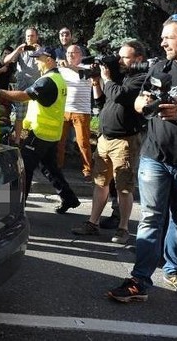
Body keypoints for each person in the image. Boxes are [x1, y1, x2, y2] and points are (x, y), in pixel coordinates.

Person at [107, 14, 177, 302]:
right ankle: (139, 281)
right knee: (150, 219)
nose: (162, 42)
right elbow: (138, 100)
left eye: (168, 37)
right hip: (154, 157)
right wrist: (142, 103)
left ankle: (174, 270)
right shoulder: (159, 67)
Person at [71, 40, 147, 244]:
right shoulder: (120, 76)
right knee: (100, 184)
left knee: (124, 187)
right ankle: (92, 223)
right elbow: (103, 102)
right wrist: (97, 83)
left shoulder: (140, 78)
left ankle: (123, 228)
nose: (120, 60)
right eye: (119, 56)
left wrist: (106, 78)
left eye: (125, 57)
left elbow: (120, 95)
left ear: (138, 58)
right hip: (105, 139)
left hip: (125, 141)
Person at [0, 46, 80, 213]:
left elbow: (22, 96)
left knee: (24, 170)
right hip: (50, 134)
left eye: (38, 58)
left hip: (39, 134)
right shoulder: (57, 78)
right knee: (50, 167)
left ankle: (17, 209)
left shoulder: (47, 81)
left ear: (49, 59)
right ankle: (69, 198)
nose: (36, 62)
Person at [56, 45, 93, 181]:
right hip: (64, 110)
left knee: (83, 142)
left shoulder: (87, 68)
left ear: (80, 55)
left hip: (81, 111)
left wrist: (69, 67)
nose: (71, 55)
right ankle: (58, 166)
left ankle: (87, 170)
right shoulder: (61, 70)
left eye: (74, 53)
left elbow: (84, 73)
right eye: (68, 53)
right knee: (59, 141)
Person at [2, 27, 41, 143]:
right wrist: (18, 50)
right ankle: (18, 140)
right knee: (19, 116)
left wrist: (39, 50)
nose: (30, 38)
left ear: (37, 37)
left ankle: (33, 140)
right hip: (22, 88)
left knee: (37, 116)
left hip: (37, 87)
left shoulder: (41, 50)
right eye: (28, 36)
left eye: (32, 36)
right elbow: (6, 61)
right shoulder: (21, 51)